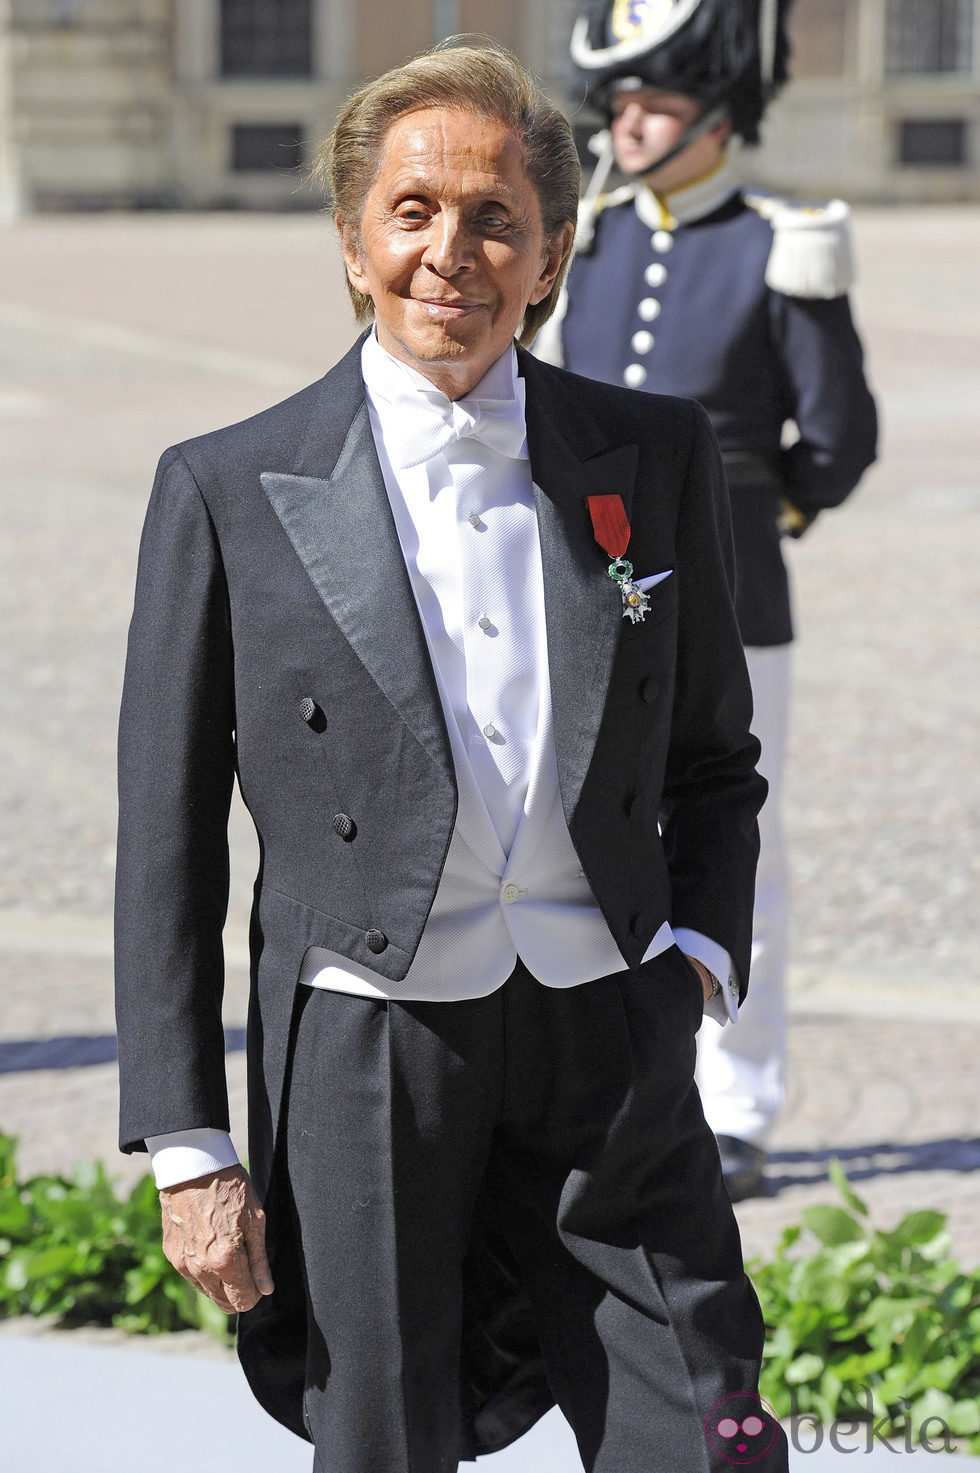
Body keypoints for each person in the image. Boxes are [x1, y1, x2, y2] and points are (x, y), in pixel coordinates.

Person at [115, 39, 788, 1473]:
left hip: (611, 1019)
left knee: (712, 1426)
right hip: (373, 1034)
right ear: (354, 244)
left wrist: (702, 962)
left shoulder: (649, 455)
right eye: (413, 212)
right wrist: (189, 1143)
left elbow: (715, 758)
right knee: (388, 1442)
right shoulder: (227, 487)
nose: (452, 252)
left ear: (548, 255)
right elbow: (164, 853)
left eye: (496, 217)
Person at [536, 0, 878, 1201]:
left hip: (732, 590)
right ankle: (602, 1067)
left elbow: (837, 436)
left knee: (743, 839)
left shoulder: (781, 241)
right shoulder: (598, 237)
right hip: (590, 581)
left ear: (712, 113)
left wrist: (753, 520)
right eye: (617, 104)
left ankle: (738, 1103)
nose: (624, 124)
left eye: (651, 105)